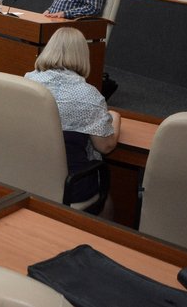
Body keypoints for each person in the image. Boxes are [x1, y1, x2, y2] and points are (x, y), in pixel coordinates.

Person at [24, 27, 121, 203]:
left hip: (26, 174)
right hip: (69, 186)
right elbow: (105, 146)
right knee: (107, 202)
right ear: (83, 55)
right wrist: (116, 117)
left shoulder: (28, 81)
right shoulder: (89, 96)